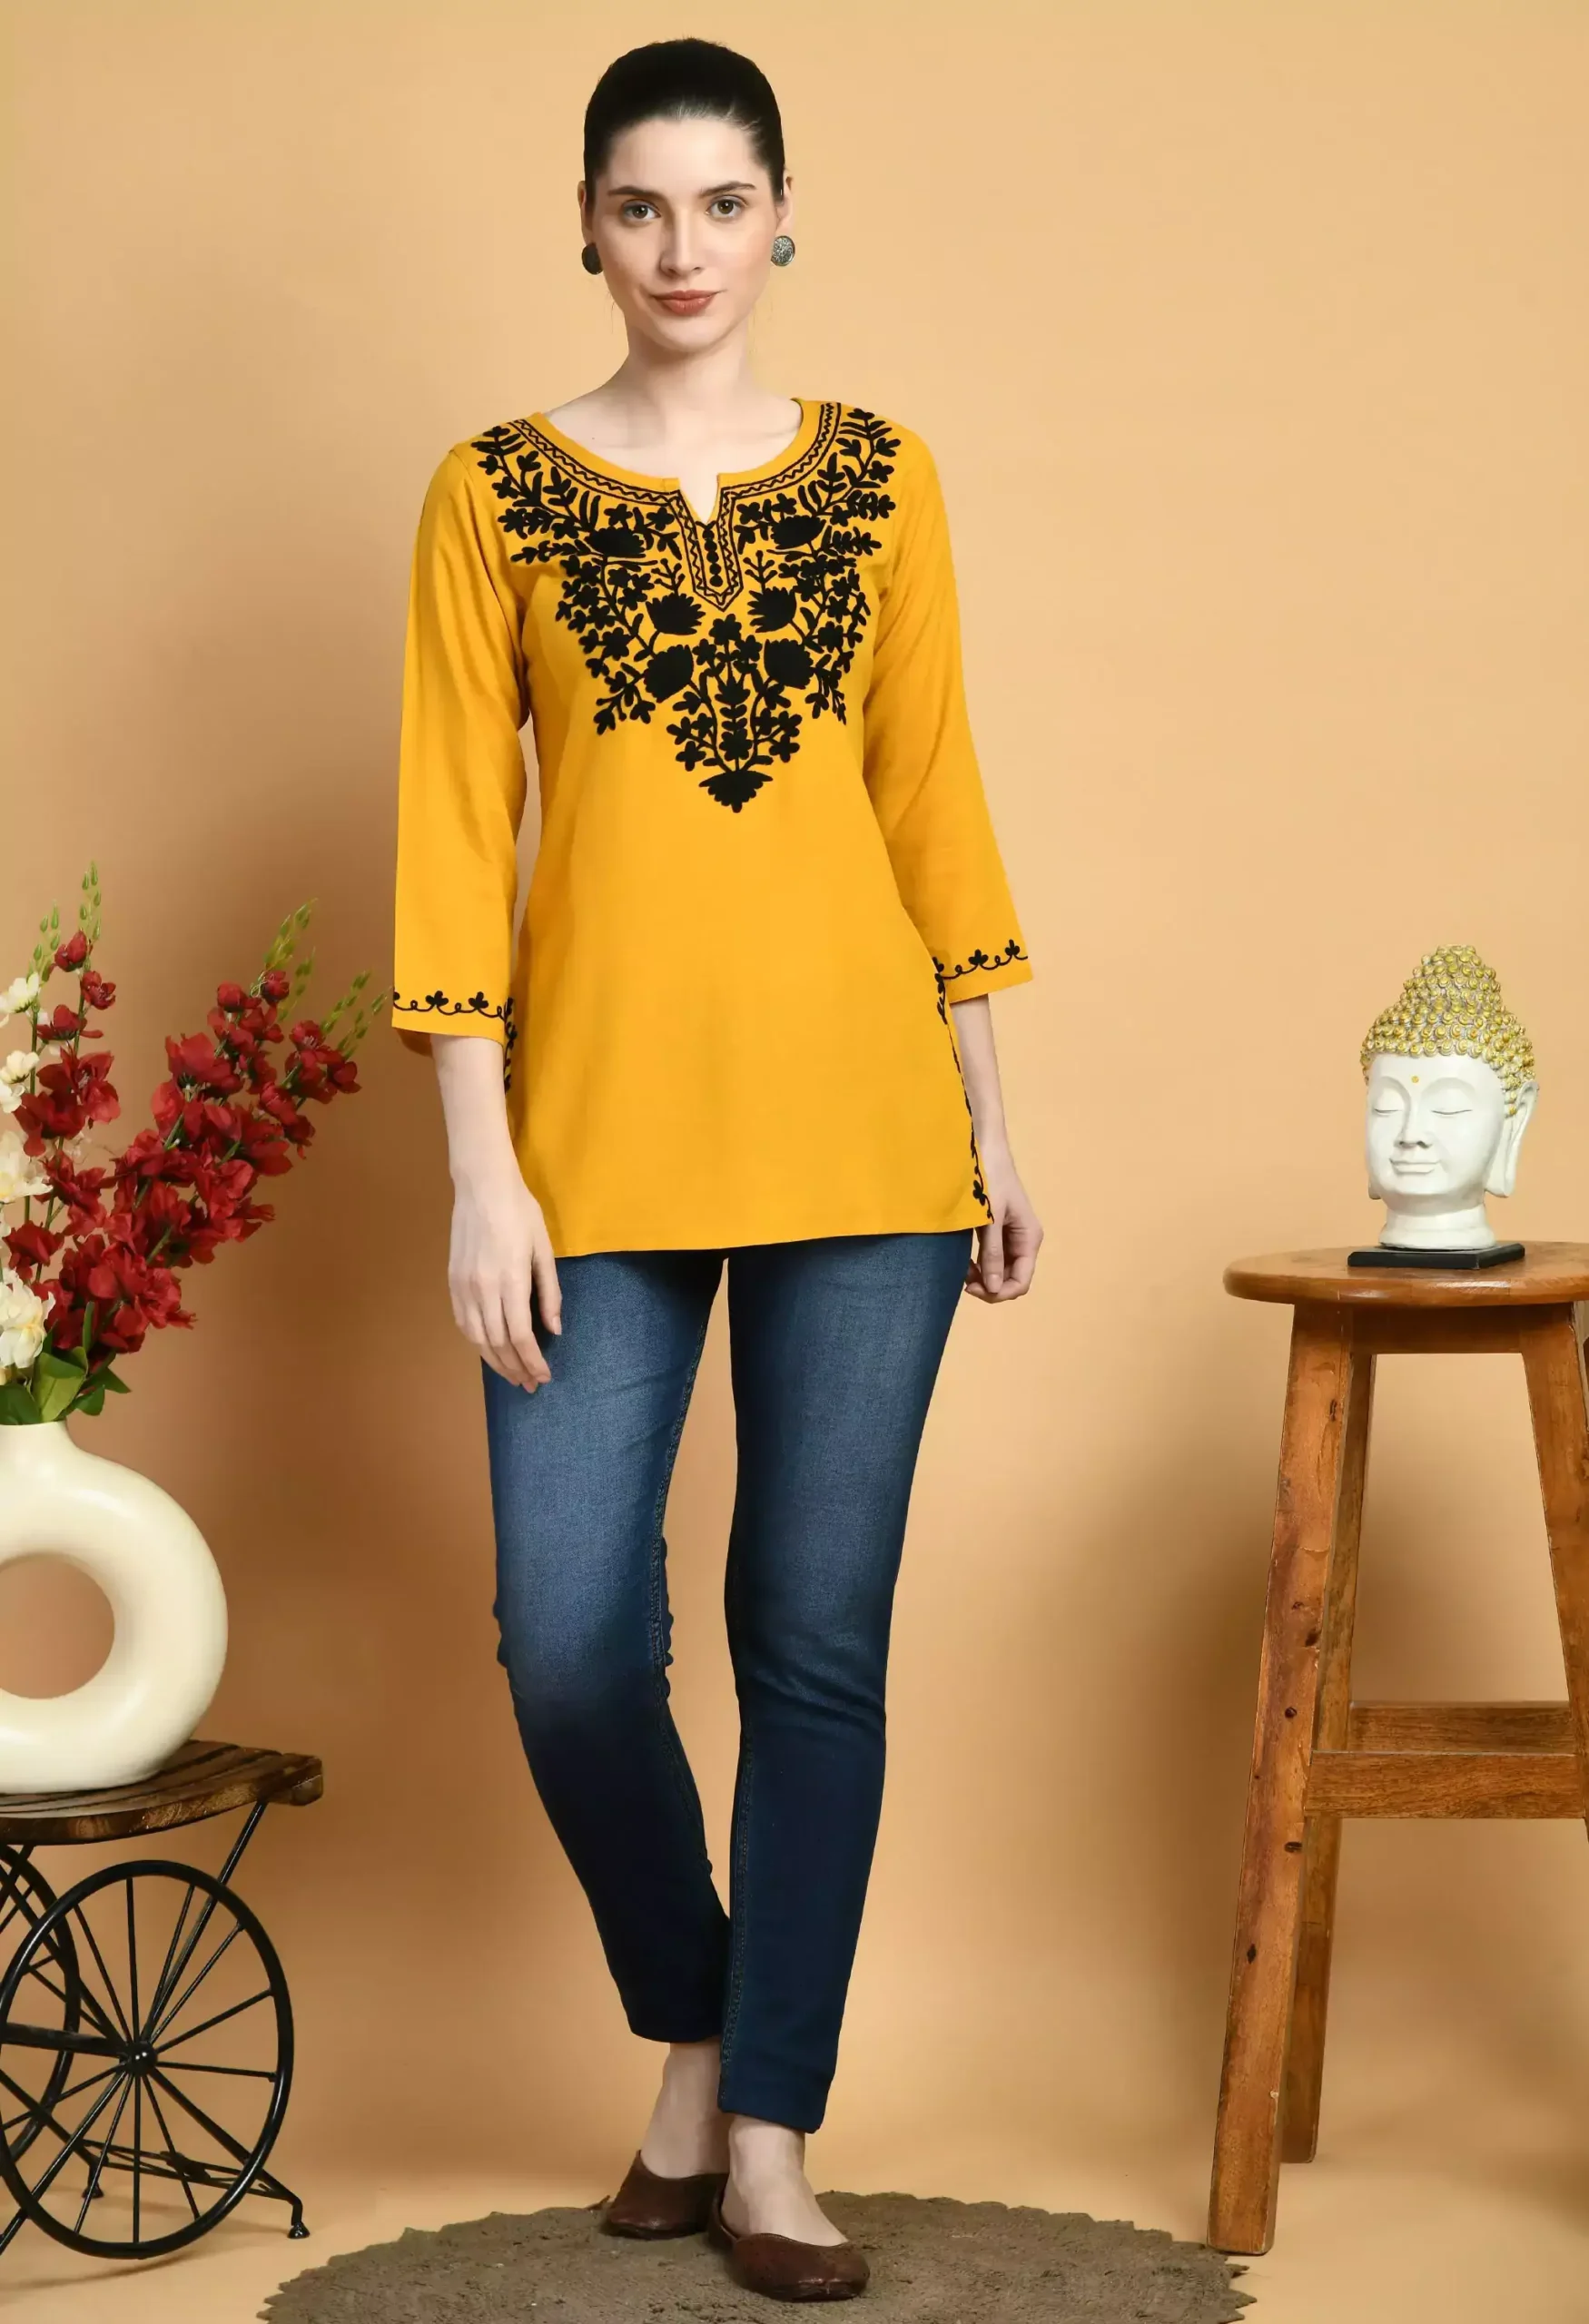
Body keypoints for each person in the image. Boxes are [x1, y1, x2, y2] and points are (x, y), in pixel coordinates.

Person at [390, 36, 1041, 2302]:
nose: (683, 247)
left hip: (866, 1138)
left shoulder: (882, 479)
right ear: (585, 223)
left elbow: (929, 796)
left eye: (722, 202)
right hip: (586, 1152)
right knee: (569, 1641)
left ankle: (763, 2132)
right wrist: (482, 1172)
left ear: (782, 219)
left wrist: (991, 1112)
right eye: (639, 205)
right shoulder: (490, 494)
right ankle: (694, 2017)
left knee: (812, 1643)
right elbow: (452, 840)